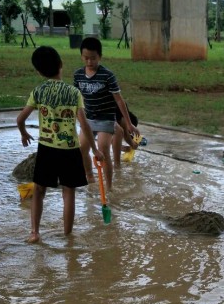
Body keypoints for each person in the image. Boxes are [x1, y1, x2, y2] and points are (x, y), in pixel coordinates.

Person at [16, 46, 103, 244]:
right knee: (68, 191)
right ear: (61, 64)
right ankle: (67, 235)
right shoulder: (73, 93)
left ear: (38, 71)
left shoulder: (38, 91)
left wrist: (23, 133)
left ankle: (34, 233)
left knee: (38, 190)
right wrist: (95, 149)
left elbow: (20, 119)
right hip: (69, 150)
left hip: (46, 148)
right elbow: (84, 123)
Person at [73, 37, 136, 191]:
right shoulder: (78, 75)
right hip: (88, 119)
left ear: (99, 56)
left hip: (106, 119)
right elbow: (76, 99)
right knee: (82, 148)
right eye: (86, 58)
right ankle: (90, 177)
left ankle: (108, 188)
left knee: (102, 149)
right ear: (82, 56)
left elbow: (120, 101)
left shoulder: (107, 75)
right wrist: (76, 118)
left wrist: (128, 123)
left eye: (93, 58)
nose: (89, 62)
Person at [112, 101, 141, 168]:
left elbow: (124, 133)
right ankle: (117, 167)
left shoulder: (120, 113)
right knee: (119, 131)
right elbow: (124, 132)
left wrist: (130, 144)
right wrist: (122, 146)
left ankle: (117, 166)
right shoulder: (121, 117)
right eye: (130, 132)